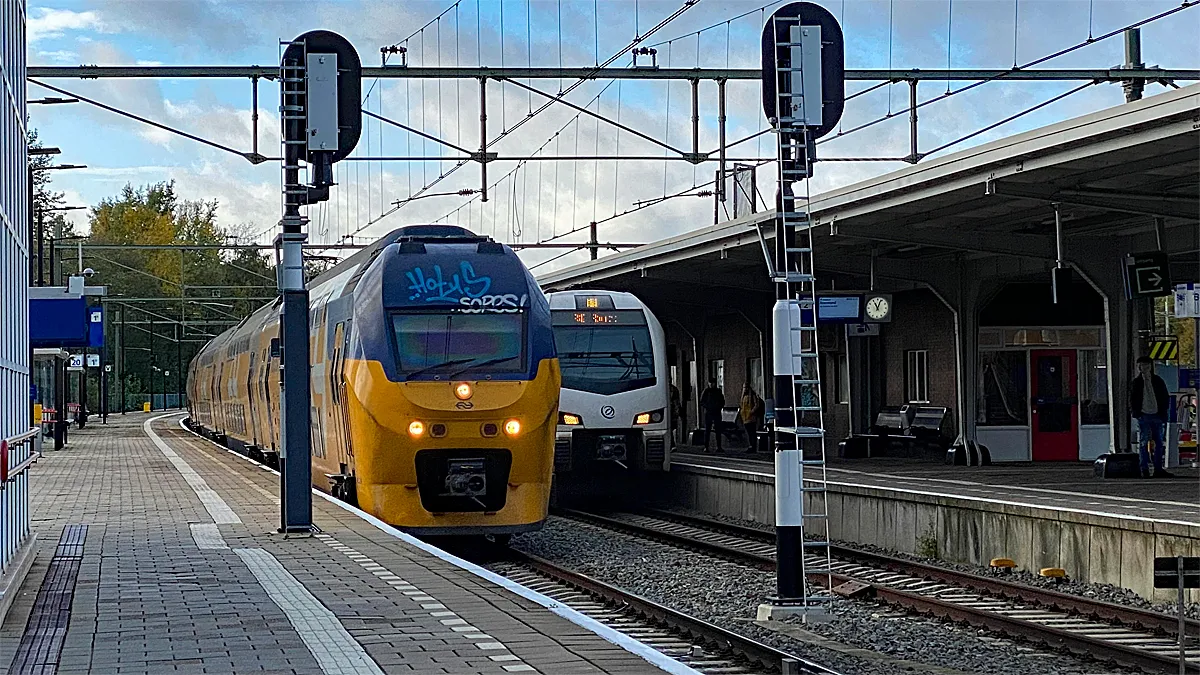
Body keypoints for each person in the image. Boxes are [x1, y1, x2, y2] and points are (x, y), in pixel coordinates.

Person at [1130, 356, 1172, 478]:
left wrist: (1163, 412)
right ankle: (1145, 469)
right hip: (1144, 415)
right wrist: (1136, 413)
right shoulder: (1137, 383)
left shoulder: (1158, 381)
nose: (1144, 368)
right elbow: (1132, 399)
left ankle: (1157, 469)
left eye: (1146, 365)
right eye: (1142, 366)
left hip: (1156, 414)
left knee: (1158, 442)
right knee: (1144, 442)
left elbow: (1164, 397)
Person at [699, 379, 725, 452]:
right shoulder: (706, 391)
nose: (711, 385)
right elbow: (702, 401)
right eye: (710, 383)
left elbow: (722, 401)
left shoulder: (718, 391)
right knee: (707, 430)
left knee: (718, 430)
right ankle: (706, 446)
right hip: (709, 412)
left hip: (716, 412)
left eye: (713, 383)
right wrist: (707, 406)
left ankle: (719, 446)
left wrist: (719, 407)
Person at [739, 384, 764, 453]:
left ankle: (753, 446)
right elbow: (741, 404)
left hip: (751, 416)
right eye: (744, 387)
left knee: (752, 432)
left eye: (746, 387)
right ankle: (750, 445)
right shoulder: (744, 396)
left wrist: (752, 411)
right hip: (745, 416)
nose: (745, 389)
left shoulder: (752, 395)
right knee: (749, 432)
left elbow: (756, 404)